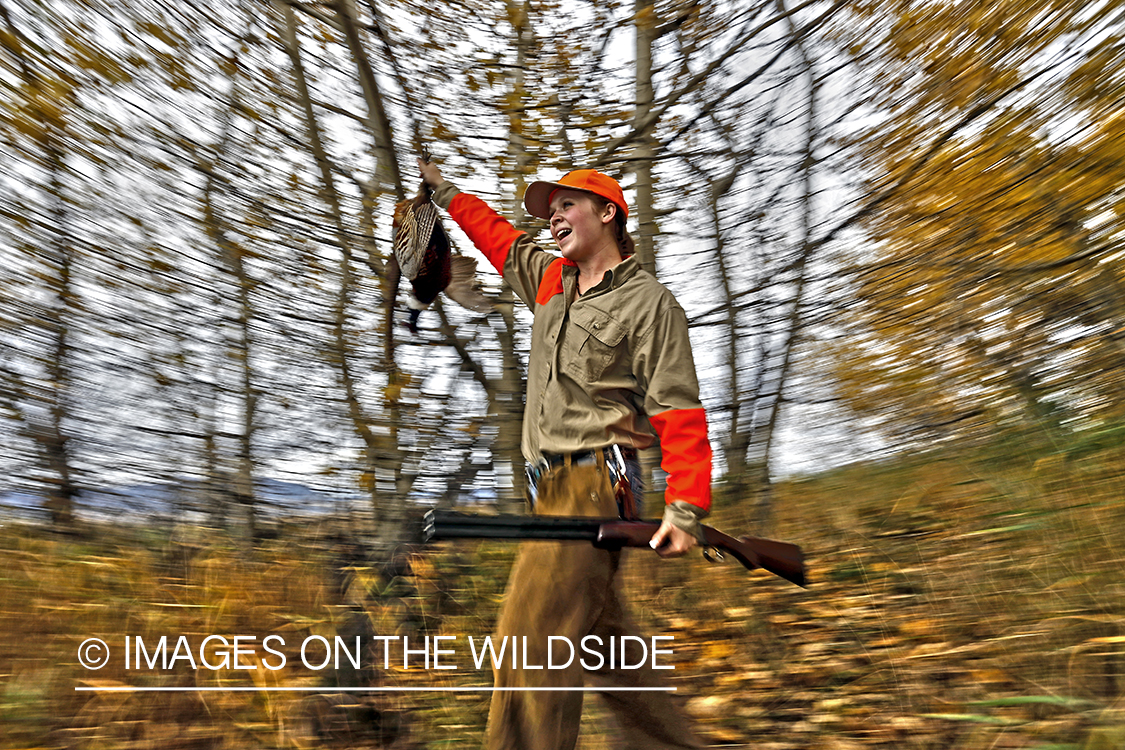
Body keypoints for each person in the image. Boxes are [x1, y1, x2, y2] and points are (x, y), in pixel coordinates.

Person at [418, 158, 712, 750]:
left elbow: (677, 407)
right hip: (548, 488)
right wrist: (443, 192)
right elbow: (498, 238)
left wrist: (686, 507)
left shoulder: (649, 303)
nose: (554, 218)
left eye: (566, 205)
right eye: (549, 212)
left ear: (608, 213)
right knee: (609, 651)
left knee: (529, 644)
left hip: (595, 481)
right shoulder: (551, 281)